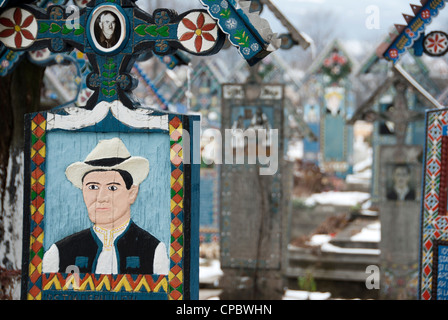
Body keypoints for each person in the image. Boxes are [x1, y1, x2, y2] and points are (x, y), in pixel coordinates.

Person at [42, 138, 170, 275]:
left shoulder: (154, 252)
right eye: (92, 187)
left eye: (112, 187)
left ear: (132, 193)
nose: (101, 197)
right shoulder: (59, 253)